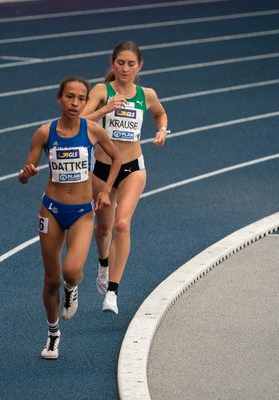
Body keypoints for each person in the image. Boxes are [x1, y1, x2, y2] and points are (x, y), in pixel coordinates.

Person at [18, 76, 121, 360]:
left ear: (86, 101)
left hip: (81, 212)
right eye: (70, 97)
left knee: (72, 272)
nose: (75, 103)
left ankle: (71, 288)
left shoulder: (93, 131)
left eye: (81, 98)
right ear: (59, 99)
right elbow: (25, 173)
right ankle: (53, 335)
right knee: (50, 280)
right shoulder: (43, 133)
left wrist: (106, 192)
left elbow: (117, 159)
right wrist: (25, 175)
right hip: (50, 210)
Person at [82, 40, 169, 315]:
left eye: (131, 64)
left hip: (133, 166)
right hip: (103, 168)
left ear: (139, 66)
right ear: (112, 64)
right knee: (103, 229)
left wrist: (162, 130)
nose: (125, 68)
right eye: (120, 63)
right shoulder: (100, 90)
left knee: (121, 224)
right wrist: (105, 109)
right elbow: (80, 123)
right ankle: (103, 263)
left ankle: (112, 292)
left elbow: (160, 114)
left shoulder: (147, 94)